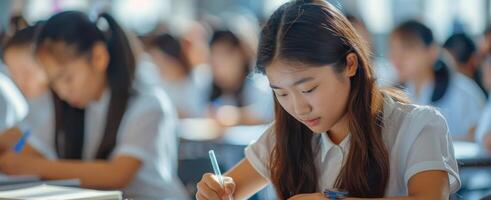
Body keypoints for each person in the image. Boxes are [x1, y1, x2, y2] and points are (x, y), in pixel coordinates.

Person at [196, 1, 460, 199]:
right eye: (282, 93)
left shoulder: (416, 126)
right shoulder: (287, 134)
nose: (299, 108)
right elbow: (229, 189)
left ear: (350, 64)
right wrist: (216, 190)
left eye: (309, 89)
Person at [0, 11, 188, 199]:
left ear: (98, 57)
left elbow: (117, 174)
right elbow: (21, 145)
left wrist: (31, 166)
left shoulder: (148, 104)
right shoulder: (71, 106)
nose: (62, 92)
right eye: (53, 83)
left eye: (67, 78)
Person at [389, 20, 485, 140]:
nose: (397, 57)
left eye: (407, 48)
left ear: (432, 51)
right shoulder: (394, 96)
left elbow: (479, 137)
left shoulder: (462, 91)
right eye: (393, 48)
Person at [207, 29, 273, 126]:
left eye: (224, 55)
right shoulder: (208, 85)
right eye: (214, 55)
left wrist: (236, 116)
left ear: (242, 55)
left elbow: (267, 113)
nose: (217, 64)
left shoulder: (260, 84)